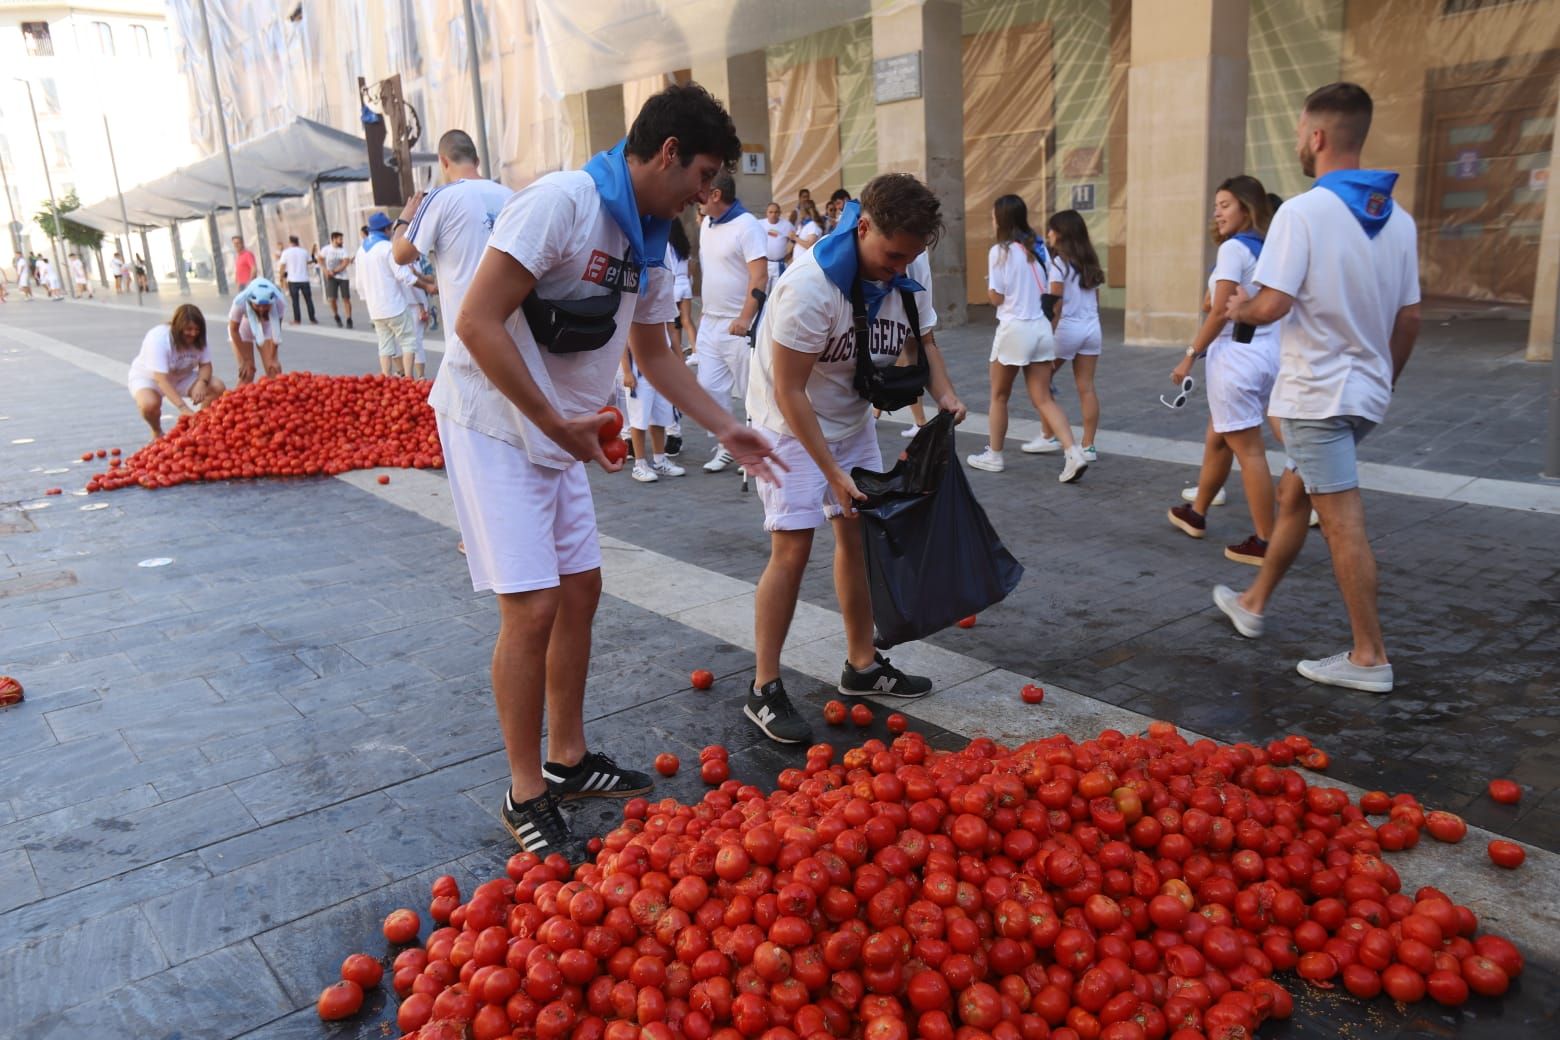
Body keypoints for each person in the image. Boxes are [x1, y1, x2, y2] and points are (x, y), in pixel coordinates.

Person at [438, 82, 783, 857]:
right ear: (667, 154)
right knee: (530, 608)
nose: (707, 195)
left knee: (581, 589)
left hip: (562, 428)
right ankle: (524, 790)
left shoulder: (651, 238)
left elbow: (655, 353)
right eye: (703, 176)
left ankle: (568, 758)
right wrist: (550, 418)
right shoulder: (562, 204)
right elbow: (476, 319)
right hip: (494, 420)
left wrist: (729, 426)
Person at [1212, 82, 1420, 695]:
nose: (1300, 142)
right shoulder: (1398, 221)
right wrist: (1383, 379)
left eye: (1303, 131)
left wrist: (1241, 309)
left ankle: (1369, 656)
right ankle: (1253, 602)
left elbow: (1273, 303)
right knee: (1296, 495)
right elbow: (1409, 319)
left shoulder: (1302, 212)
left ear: (1319, 136)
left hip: (1313, 398)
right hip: (1360, 397)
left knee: (1342, 522)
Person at [745, 174, 966, 745]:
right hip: (787, 425)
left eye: (910, 259)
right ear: (862, 226)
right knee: (793, 546)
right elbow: (790, 393)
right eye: (891, 256)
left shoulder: (907, 264)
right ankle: (764, 687)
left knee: (858, 535)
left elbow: (929, 338)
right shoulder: (809, 289)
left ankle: (861, 666)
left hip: (850, 415)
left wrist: (944, 393)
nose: (899, 269)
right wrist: (830, 471)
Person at [1167, 176, 1280, 564]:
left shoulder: (1234, 249)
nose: (1216, 212)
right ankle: (1196, 511)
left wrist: (1189, 355)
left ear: (1246, 208)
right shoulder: (1270, 247)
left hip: (1236, 358)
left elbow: (1216, 310)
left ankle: (1266, 540)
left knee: (1249, 451)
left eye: (1225, 204)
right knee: (1219, 434)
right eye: (1216, 205)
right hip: (1267, 353)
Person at [967, 195, 1088, 482]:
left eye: (994, 215)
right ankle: (1074, 452)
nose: (992, 219)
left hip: (1014, 329)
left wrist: (989, 287)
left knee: (999, 395)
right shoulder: (1039, 249)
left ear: (1002, 218)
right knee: (1044, 398)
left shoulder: (1000, 251)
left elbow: (997, 298)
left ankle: (994, 454)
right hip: (1041, 330)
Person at [390, 125, 510, 364]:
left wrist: (403, 220)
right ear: (476, 160)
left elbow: (401, 255)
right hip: (513, 332)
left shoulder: (440, 198)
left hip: (467, 334)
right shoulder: (510, 195)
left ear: (443, 161)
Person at [695, 171, 768, 473]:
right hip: (710, 321)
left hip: (738, 325)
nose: (697, 196)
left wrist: (745, 317)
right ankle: (728, 443)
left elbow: (760, 275)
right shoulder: (706, 225)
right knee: (707, 387)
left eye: (703, 190)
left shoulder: (747, 225)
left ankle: (757, 449)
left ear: (715, 195)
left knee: (750, 391)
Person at [1033, 210, 1104, 460]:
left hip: (1067, 328)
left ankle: (1047, 435)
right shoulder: (1090, 260)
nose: (1048, 234)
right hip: (1092, 327)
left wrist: (1047, 334)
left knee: (1040, 382)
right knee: (1086, 387)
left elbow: (1056, 303)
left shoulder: (1058, 263)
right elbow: (1096, 298)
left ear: (1061, 233)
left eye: (1051, 230)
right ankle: (1089, 446)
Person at [129, 304, 226, 439]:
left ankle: (199, 425)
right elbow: (161, 380)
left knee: (217, 386)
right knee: (149, 405)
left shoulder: (200, 338)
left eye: (197, 329)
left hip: (181, 377)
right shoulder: (159, 339)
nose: (193, 333)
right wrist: (183, 408)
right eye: (188, 329)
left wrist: (202, 382)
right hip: (150, 378)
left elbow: (206, 365)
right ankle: (157, 431)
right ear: (177, 327)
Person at [359, 212, 426, 376]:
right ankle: (409, 377)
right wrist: (427, 287)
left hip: (375, 309)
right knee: (408, 341)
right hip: (394, 305)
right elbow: (404, 275)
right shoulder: (387, 248)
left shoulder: (361, 250)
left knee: (385, 344)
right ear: (387, 229)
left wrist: (366, 299)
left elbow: (359, 284)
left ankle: (386, 377)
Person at [227, 277, 285, 384]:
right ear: (250, 300)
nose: (262, 309)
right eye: (258, 305)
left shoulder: (279, 302)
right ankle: (232, 400)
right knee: (248, 372)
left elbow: (276, 332)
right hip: (242, 330)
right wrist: (245, 360)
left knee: (274, 371)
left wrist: (272, 358)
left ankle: (273, 398)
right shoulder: (240, 302)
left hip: (266, 328)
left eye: (266, 306)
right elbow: (233, 330)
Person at [668, 219, 696, 358]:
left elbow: (670, 269)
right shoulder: (684, 245)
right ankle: (696, 351)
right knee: (686, 320)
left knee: (674, 322)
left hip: (674, 284)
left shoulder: (667, 246)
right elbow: (690, 267)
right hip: (685, 283)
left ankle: (677, 353)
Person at [276, 236, 318, 325]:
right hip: (304, 279)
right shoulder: (304, 252)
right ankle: (313, 318)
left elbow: (282, 266)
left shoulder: (286, 252)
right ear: (298, 242)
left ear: (290, 242)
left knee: (295, 301)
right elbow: (309, 261)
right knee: (308, 300)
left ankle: (297, 320)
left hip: (293, 280)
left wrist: (281, 278)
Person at [318, 231, 354, 327]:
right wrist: (325, 271)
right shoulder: (326, 249)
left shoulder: (343, 250)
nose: (342, 241)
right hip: (331, 277)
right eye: (340, 239)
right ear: (334, 239)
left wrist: (334, 271)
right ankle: (336, 315)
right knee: (332, 299)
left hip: (342, 277)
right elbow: (320, 259)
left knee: (346, 298)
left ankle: (349, 318)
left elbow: (345, 262)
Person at [761, 201, 794, 293]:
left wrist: (790, 254)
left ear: (780, 213)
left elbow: (795, 241)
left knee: (777, 292)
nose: (773, 214)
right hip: (764, 263)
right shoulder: (759, 224)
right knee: (763, 291)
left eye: (776, 212)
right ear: (766, 213)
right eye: (770, 212)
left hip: (779, 263)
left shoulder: (787, 225)